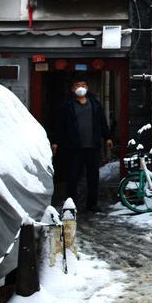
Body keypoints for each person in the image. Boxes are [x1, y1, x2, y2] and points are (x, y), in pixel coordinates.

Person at [52, 73, 113, 213]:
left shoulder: (95, 104)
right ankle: (71, 205)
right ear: (72, 89)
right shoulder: (67, 105)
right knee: (72, 176)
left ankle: (92, 204)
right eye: (78, 86)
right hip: (74, 147)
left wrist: (107, 137)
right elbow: (60, 125)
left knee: (93, 177)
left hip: (93, 146)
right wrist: (55, 141)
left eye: (83, 85)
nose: (81, 88)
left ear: (87, 87)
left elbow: (102, 122)